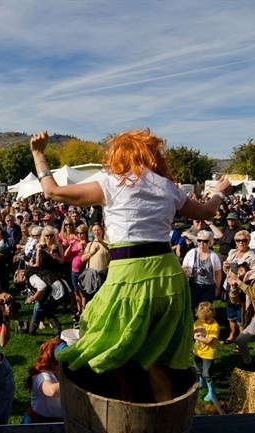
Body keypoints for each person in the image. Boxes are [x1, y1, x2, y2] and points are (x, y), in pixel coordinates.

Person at [30, 129, 231, 402]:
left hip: (130, 275)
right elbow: (207, 212)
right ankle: (162, 425)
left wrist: (38, 154)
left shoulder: (112, 182)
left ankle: (127, 418)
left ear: (119, 154)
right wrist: (218, 192)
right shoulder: (167, 186)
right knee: (160, 357)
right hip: (169, 279)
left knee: (113, 345)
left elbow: (52, 191)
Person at [220, 230, 255, 345]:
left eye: (244, 240)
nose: (241, 243)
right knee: (230, 313)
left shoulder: (252, 256)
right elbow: (226, 271)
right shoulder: (232, 252)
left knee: (241, 315)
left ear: (248, 241)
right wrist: (225, 266)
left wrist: (243, 274)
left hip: (243, 288)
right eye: (238, 240)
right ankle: (232, 335)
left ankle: (241, 340)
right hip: (230, 286)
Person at [21, 337, 63, 424]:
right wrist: (73, 384)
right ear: (55, 362)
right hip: (36, 425)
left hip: (58, 423)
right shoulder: (41, 375)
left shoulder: (60, 373)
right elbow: (52, 391)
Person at [182, 230, 222, 309]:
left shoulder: (213, 256)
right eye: (199, 240)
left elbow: (218, 273)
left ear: (210, 243)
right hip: (193, 285)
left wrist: (217, 287)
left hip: (208, 287)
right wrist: (186, 272)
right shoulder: (191, 253)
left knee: (205, 309)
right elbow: (184, 267)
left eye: (204, 241)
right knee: (191, 307)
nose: (201, 243)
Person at [193, 301, 219, 403]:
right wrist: (194, 331)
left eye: (207, 318)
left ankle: (212, 391)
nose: (204, 321)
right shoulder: (199, 322)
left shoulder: (214, 326)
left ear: (211, 315)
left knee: (208, 372)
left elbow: (209, 341)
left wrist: (196, 337)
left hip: (208, 353)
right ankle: (201, 383)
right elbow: (193, 330)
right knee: (198, 369)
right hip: (198, 351)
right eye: (202, 318)